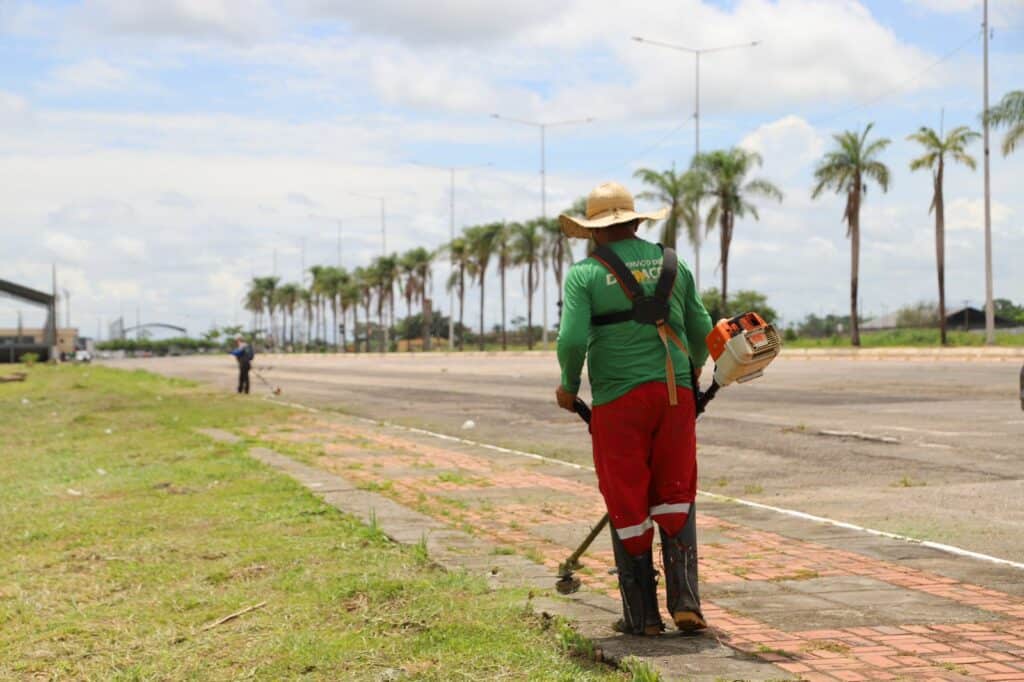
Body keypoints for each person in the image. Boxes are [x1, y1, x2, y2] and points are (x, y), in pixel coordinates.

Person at [555, 181, 713, 636]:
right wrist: (693, 373)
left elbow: (571, 340)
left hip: (617, 401)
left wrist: (568, 387)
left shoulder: (585, 274)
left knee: (627, 498)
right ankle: (686, 601)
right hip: (674, 394)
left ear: (595, 232)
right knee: (676, 489)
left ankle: (641, 616)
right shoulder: (673, 262)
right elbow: (702, 327)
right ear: (635, 221)